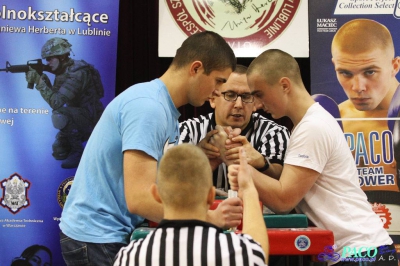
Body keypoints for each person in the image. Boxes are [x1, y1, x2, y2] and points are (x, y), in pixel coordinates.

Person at [59, 31, 242, 266]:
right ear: (196, 68)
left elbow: (152, 183)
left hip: (106, 234)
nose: (217, 91)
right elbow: (140, 200)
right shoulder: (149, 108)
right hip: (98, 238)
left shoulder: (163, 108)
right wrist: (208, 219)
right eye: (218, 80)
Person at [228, 49, 396, 265]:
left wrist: (244, 170)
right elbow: (286, 185)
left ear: (285, 85)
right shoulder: (307, 124)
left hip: (362, 253)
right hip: (357, 252)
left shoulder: (312, 127)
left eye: (259, 94)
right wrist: (259, 162)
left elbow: (283, 200)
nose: (258, 104)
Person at [113, 144, 269, 266]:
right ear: (210, 196)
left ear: (156, 194)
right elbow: (259, 249)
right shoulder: (238, 253)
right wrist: (248, 189)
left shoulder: (130, 257)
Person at [179, 64, 290, 194]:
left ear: (255, 103)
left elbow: (282, 185)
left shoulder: (274, 134)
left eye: (246, 96)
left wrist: (262, 163)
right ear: (213, 99)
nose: (238, 105)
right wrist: (200, 161)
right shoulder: (187, 130)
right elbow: (171, 187)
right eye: (230, 95)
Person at [331, 18, 400, 198]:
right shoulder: (336, 119)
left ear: (395, 66)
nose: (358, 87)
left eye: (370, 72)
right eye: (345, 73)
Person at [25, 37, 105, 169]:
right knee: (59, 152)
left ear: (62, 57)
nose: (48, 63)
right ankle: (73, 137)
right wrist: (42, 79)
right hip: (78, 116)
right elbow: (55, 96)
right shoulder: (63, 71)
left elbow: (56, 103)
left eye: (50, 58)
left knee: (59, 113)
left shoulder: (78, 73)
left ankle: (78, 152)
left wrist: (39, 83)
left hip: (92, 119)